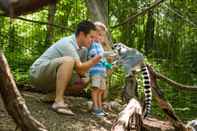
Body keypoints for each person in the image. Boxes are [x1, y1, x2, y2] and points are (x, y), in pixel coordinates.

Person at [29, 20, 102, 115]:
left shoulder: (84, 50)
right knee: (68, 60)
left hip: (50, 79)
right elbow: (80, 68)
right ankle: (58, 102)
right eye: (91, 37)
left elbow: (82, 72)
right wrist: (95, 60)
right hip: (37, 74)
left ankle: (52, 96)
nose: (93, 40)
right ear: (81, 34)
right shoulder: (67, 43)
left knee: (86, 79)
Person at [88, 21, 112, 117]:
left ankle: (99, 107)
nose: (100, 37)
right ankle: (95, 108)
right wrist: (104, 55)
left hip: (102, 71)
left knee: (101, 90)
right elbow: (93, 56)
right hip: (95, 71)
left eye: (102, 35)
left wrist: (108, 65)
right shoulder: (93, 44)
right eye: (98, 34)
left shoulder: (100, 46)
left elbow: (102, 59)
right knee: (96, 89)